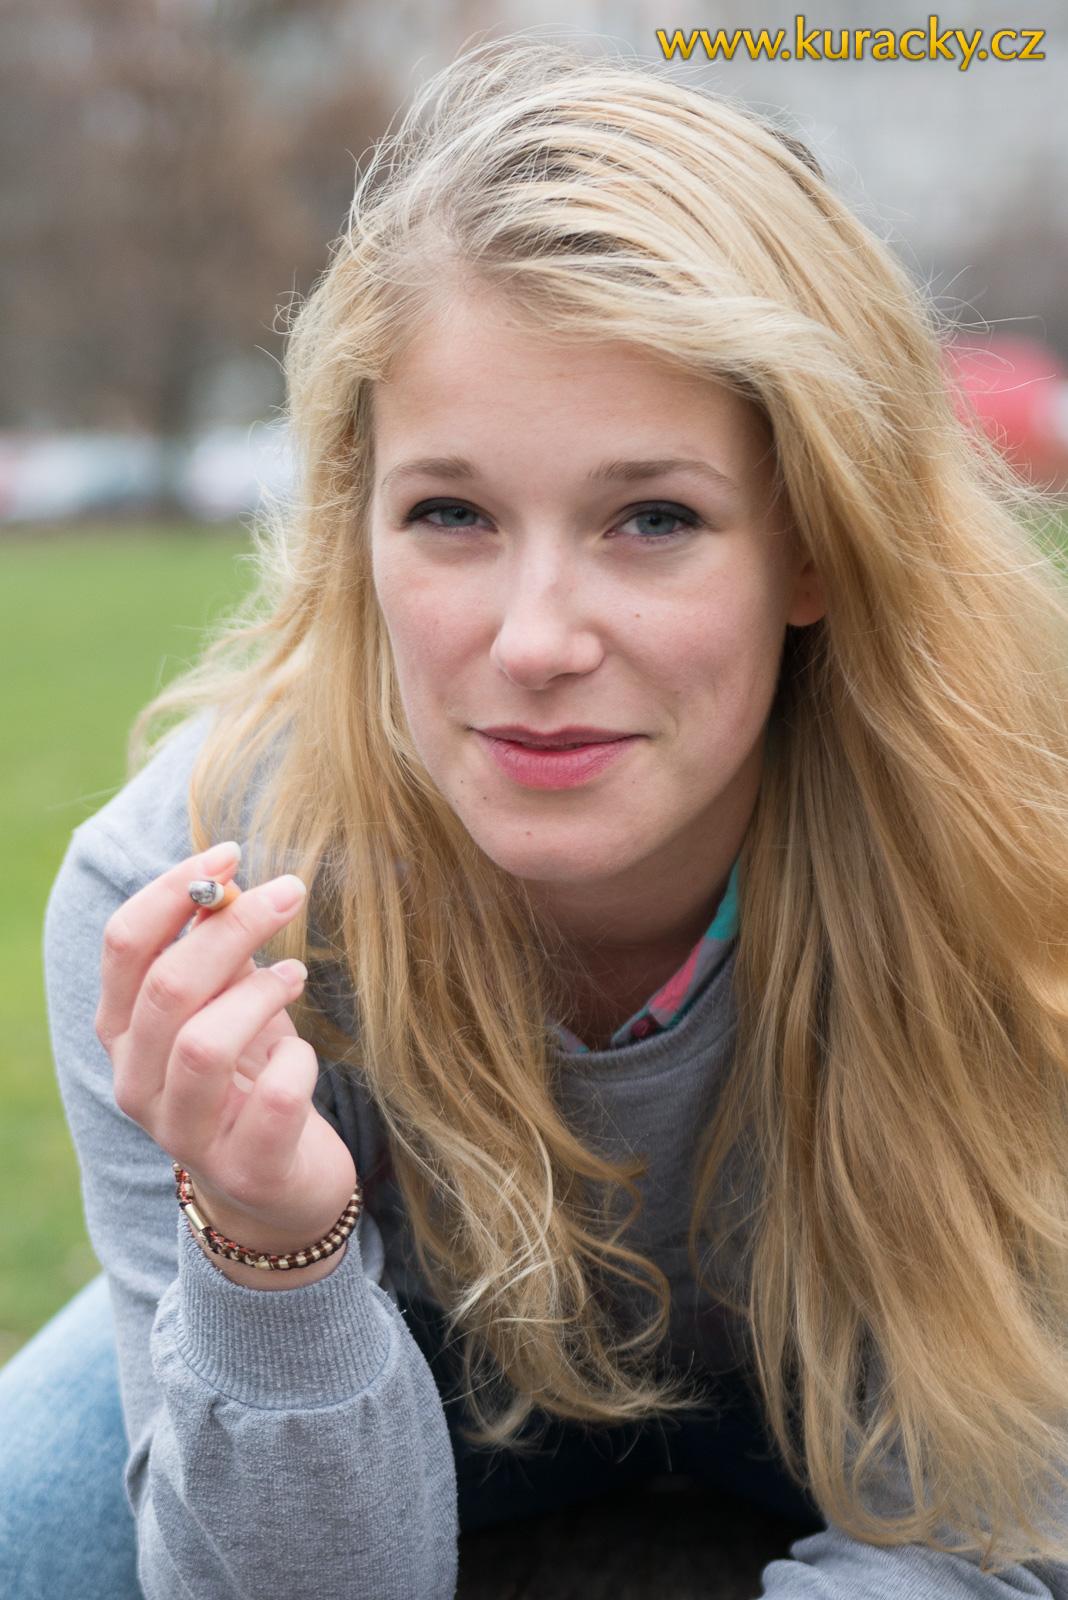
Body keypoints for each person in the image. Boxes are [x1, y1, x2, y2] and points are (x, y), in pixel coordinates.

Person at [3, 32, 1068, 1600]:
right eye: (452, 514)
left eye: (654, 519)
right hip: (399, 1347)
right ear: (355, 526)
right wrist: (268, 1238)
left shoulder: (1009, 849)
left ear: (815, 545)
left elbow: (987, 1534)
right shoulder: (189, 891)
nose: (536, 640)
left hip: (850, 1356)